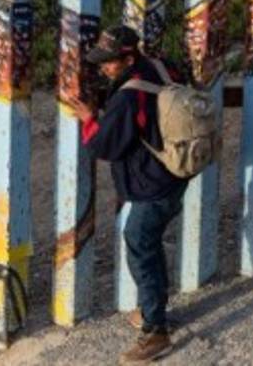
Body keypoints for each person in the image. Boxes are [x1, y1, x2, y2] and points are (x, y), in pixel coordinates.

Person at [59, 25, 187, 364]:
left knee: (140, 244)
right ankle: (152, 309)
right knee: (150, 241)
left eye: (109, 63)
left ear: (128, 57)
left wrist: (90, 118)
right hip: (176, 171)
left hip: (151, 183)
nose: (103, 68)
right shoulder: (161, 66)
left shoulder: (128, 96)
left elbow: (107, 146)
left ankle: (155, 331)